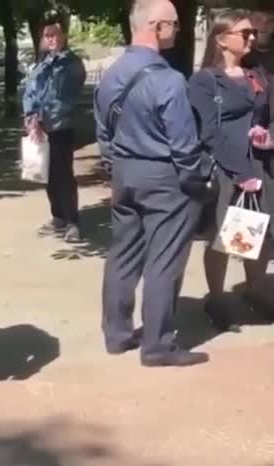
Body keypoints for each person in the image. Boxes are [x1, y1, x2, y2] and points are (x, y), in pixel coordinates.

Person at [95, 0, 209, 367]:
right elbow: (184, 144)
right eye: (174, 24)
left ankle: (116, 334)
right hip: (164, 175)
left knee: (123, 253)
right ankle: (158, 345)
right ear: (157, 26)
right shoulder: (169, 79)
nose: (177, 29)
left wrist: (119, 164)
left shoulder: (110, 75)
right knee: (164, 260)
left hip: (125, 172)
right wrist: (198, 182)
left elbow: (103, 133)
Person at [190, 9, 274, 333]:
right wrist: (240, 173)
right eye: (244, 33)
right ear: (222, 39)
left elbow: (265, 117)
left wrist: (266, 134)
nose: (252, 37)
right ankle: (216, 297)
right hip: (228, 168)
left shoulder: (257, 75)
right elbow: (208, 133)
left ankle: (253, 290)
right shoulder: (205, 80)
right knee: (225, 238)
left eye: (253, 32)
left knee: (260, 232)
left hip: (260, 164)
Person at [22, 14, 87, 242]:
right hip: (41, 129)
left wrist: (41, 118)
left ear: (63, 36)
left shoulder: (71, 64)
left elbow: (65, 98)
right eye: (46, 36)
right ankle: (57, 217)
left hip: (61, 127)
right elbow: (30, 91)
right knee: (47, 174)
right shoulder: (40, 66)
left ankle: (72, 222)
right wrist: (30, 116)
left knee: (64, 175)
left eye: (54, 35)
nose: (50, 39)